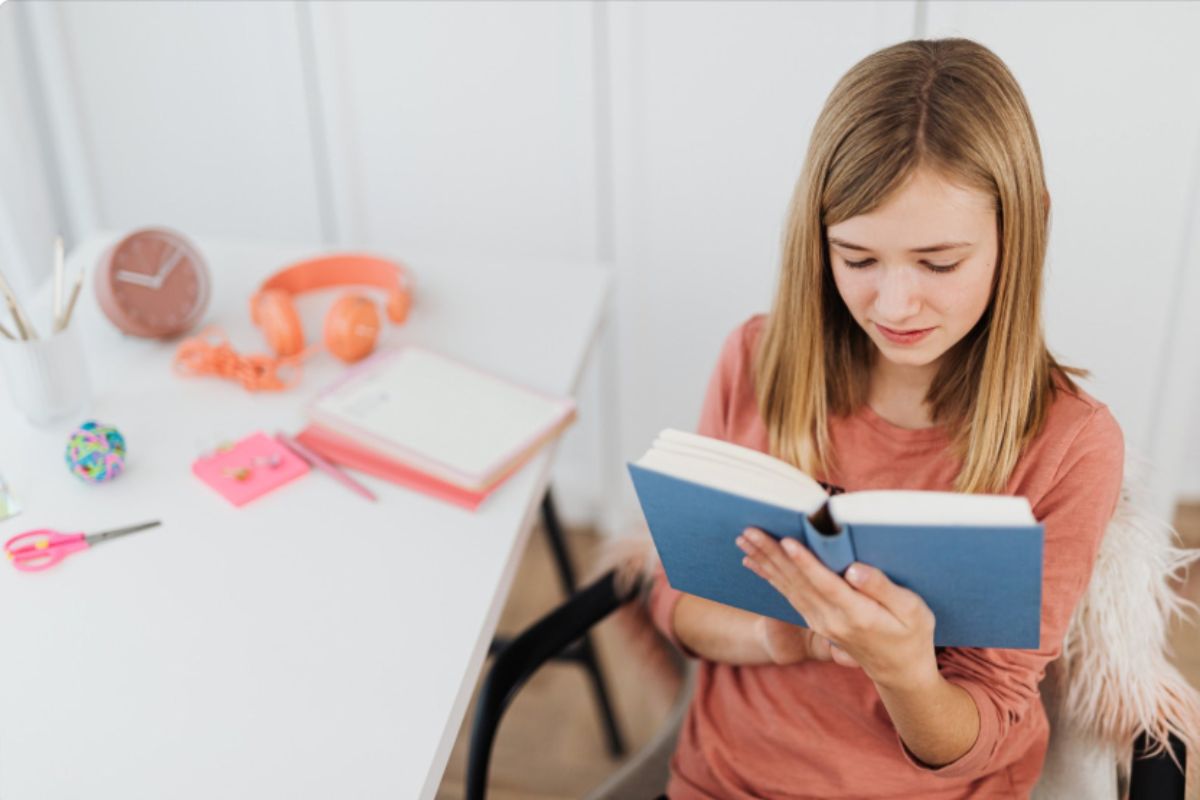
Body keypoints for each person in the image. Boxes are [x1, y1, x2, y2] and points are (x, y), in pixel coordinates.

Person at [647, 37, 1124, 799]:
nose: (895, 306)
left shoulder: (1069, 445)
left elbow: (990, 726)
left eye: (939, 263)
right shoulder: (758, 355)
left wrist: (902, 668)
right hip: (721, 778)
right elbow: (678, 601)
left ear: (1023, 229)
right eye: (858, 259)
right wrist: (789, 635)